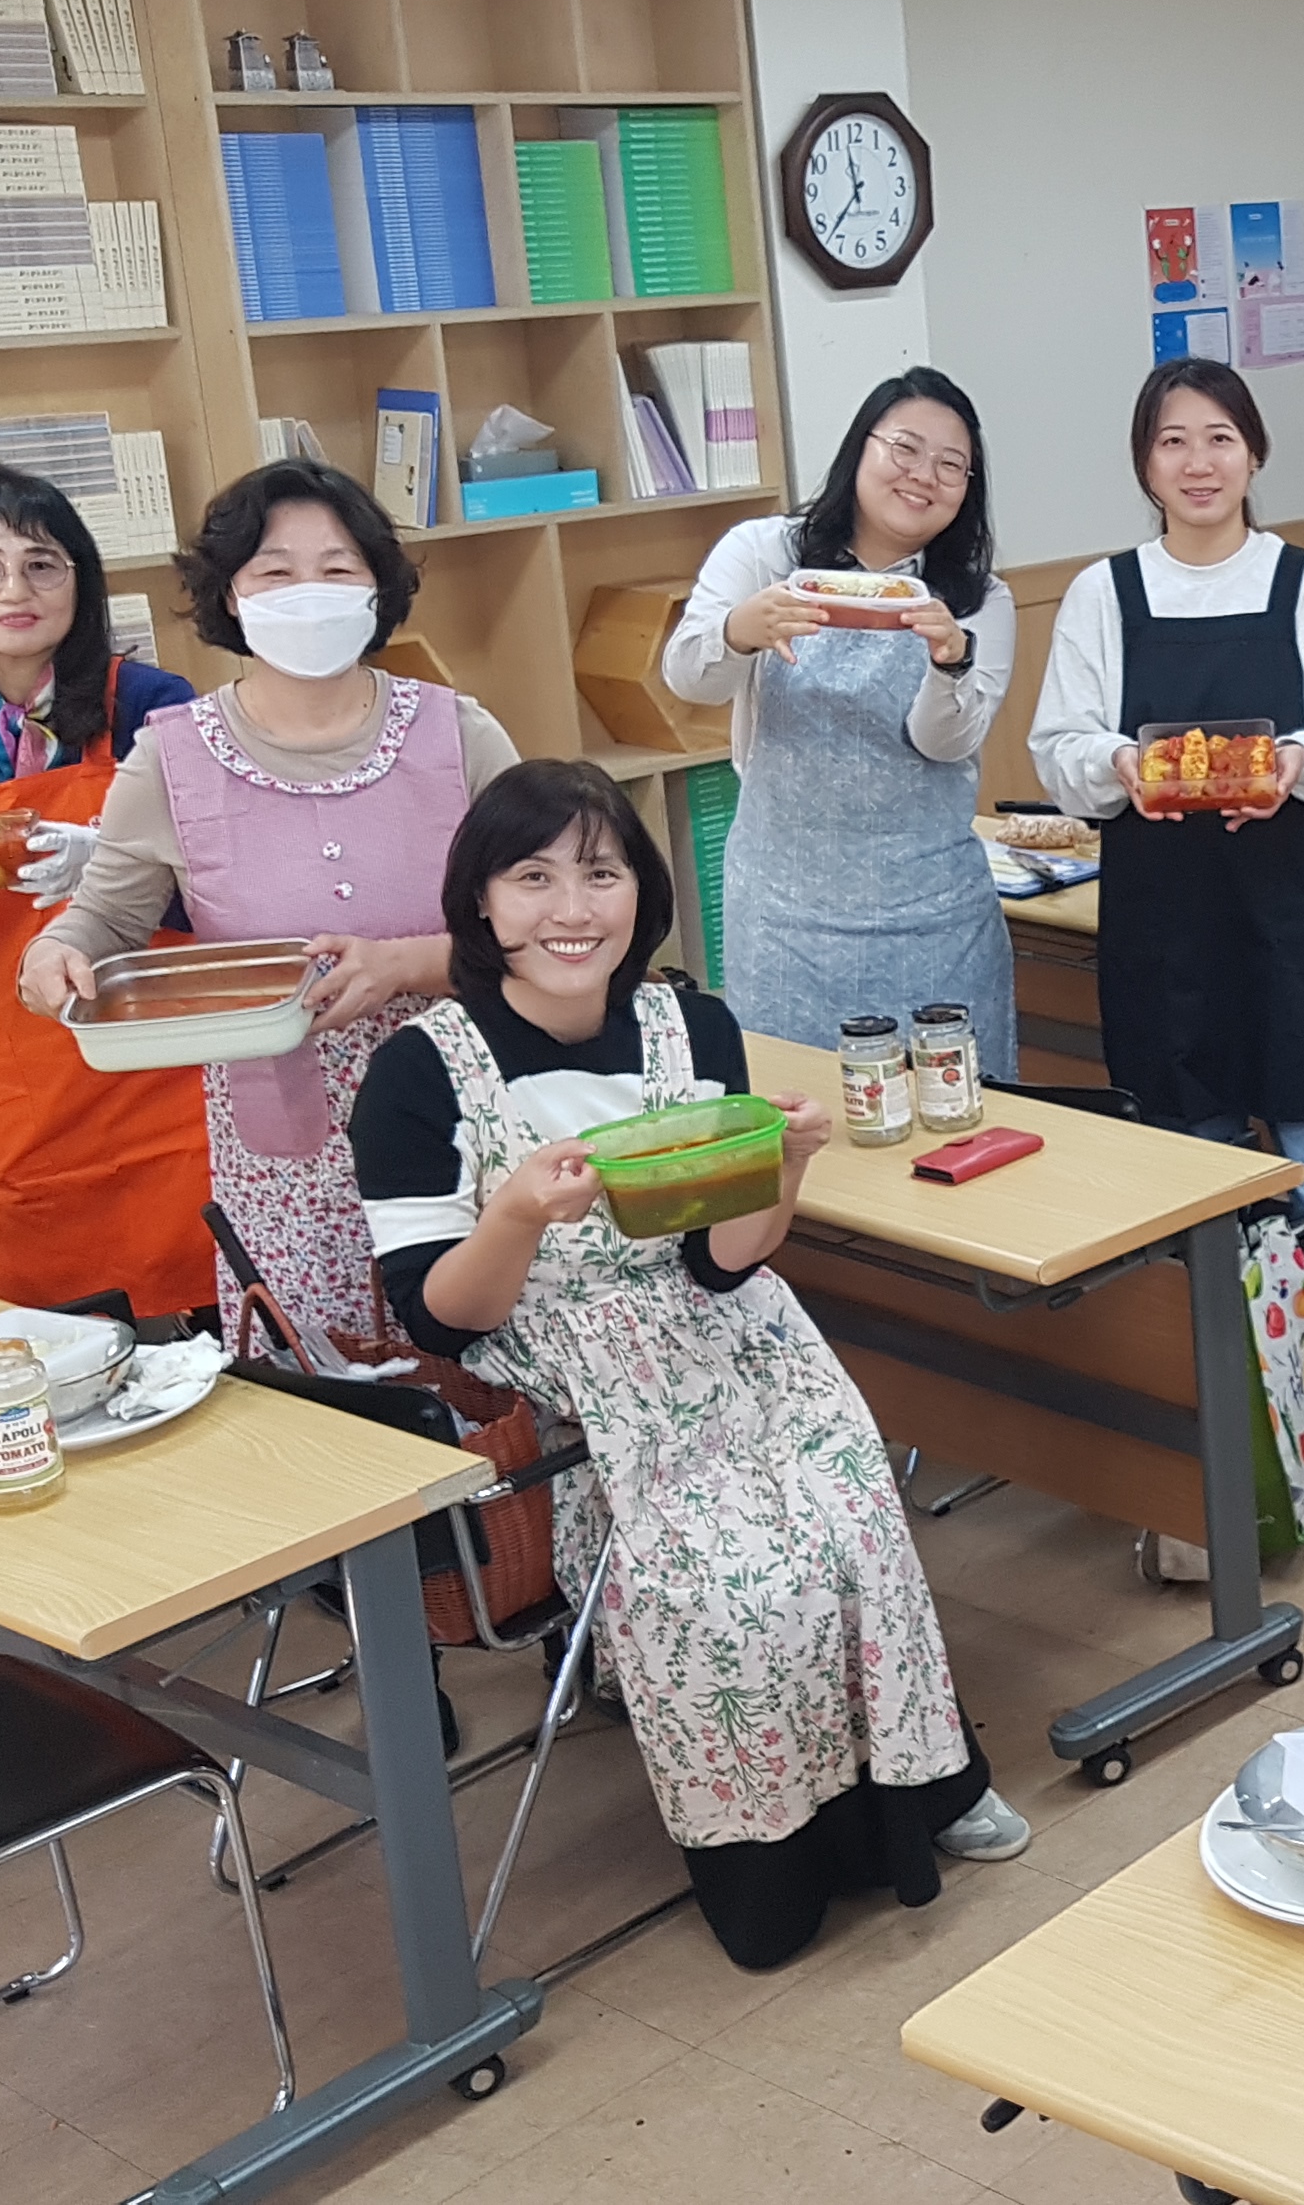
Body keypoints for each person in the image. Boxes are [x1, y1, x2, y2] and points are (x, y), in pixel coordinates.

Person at [349, 761, 1026, 1971]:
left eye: (601, 874)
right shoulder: (420, 1071)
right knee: (730, 1579)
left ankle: (928, 1785)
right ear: (481, 904)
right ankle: (773, 1859)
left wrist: (786, 1164)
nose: (572, 909)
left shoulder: (691, 1027)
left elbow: (721, 1263)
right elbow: (438, 1323)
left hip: (731, 1331)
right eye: (533, 878)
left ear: (642, 893)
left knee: (854, 1516)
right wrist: (513, 1216)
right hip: (572, 1365)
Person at [1030, 359, 1304, 1479]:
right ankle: (1238, 1406)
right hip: (1161, 932)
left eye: (1219, 437)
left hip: (1290, 924)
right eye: (1173, 440)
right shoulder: (1102, 593)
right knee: (1193, 1169)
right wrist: (1125, 765)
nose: (1198, 462)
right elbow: (1060, 750)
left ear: (1254, 454)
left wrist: (1293, 763)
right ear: (1144, 464)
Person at [18, 460, 514, 1338]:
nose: (308, 593)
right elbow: (106, 916)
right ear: (231, 596)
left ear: (378, 588)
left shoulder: (459, 732)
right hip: (286, 1152)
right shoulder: (171, 756)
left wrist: (404, 964)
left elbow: (546, 928)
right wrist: (55, 952)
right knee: (332, 1379)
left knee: (489, 1363)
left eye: (337, 568)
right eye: (275, 571)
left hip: (471, 1120)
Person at [0, 462, 210, 1314]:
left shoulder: (152, 704)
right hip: (29, 1066)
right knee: (70, 1321)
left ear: (80, 582)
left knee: (212, 1303)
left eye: (42, 563)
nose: (14, 589)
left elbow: (220, 894)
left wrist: (113, 863)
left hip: (166, 1058)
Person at [663, 367, 1019, 1073]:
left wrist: (950, 661)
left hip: (935, 915)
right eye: (906, 449)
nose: (924, 476)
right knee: (799, 1110)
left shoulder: (980, 598)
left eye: (952, 465)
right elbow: (689, 679)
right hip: (784, 914)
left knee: (950, 1113)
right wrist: (741, 628)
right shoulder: (764, 552)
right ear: (862, 447)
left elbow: (945, 743)